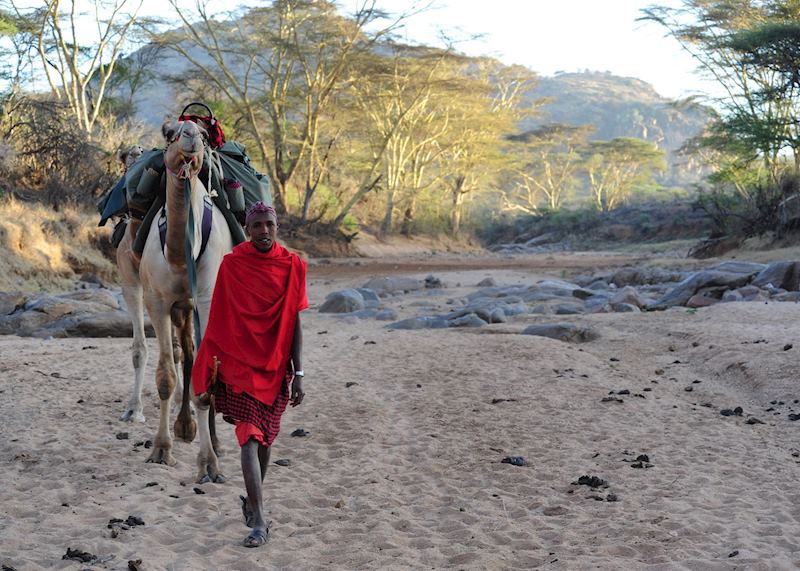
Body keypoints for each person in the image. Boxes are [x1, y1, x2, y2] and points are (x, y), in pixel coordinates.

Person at [192, 201, 308, 548]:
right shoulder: (232, 264)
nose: (263, 232)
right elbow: (219, 320)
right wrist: (212, 368)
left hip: (275, 366)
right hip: (240, 366)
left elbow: (295, 320)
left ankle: (251, 500)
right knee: (249, 437)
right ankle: (259, 519)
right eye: (256, 225)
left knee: (266, 439)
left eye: (269, 225)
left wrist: (298, 371)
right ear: (248, 228)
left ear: (277, 226)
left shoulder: (292, 265)